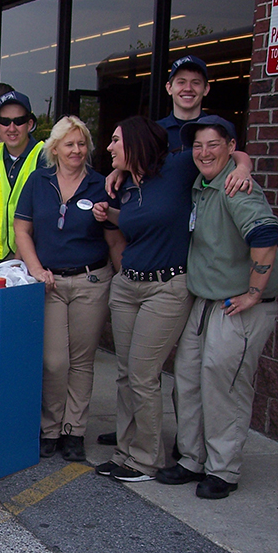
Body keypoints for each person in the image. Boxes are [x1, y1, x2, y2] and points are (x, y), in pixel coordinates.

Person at [91, 116, 253, 483]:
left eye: (115, 141)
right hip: (128, 286)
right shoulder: (128, 185)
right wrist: (110, 213)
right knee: (125, 374)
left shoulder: (178, 167)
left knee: (144, 375)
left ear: (134, 144)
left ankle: (146, 460)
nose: (109, 147)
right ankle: (125, 452)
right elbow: (145, 224)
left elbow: (230, 153)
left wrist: (243, 165)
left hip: (166, 288)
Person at [155, 116, 278, 499]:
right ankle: (192, 459)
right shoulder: (201, 186)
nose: (204, 152)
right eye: (198, 146)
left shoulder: (236, 187)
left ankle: (223, 469)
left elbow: (266, 235)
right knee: (189, 379)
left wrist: (254, 292)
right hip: (206, 301)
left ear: (229, 146)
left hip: (239, 306)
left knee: (223, 385)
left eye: (213, 145)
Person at [12, 116, 125, 463]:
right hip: (49, 283)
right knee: (54, 361)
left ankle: (73, 430)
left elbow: (114, 238)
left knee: (81, 361)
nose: (76, 150)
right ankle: (49, 427)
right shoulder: (37, 181)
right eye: (69, 144)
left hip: (91, 281)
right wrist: (34, 268)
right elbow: (22, 229)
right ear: (55, 148)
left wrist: (124, 278)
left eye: (81, 144)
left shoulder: (99, 184)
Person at [0, 91, 45, 263]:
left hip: (32, 257)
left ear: (30, 124)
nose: (11, 128)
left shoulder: (44, 156)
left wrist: (17, 263)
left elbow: (38, 215)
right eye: (5, 122)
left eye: (18, 121)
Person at [157, 56, 210, 151]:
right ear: (169, 88)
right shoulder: (154, 131)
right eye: (181, 82)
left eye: (196, 83)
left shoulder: (218, 130)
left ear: (206, 89)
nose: (188, 88)